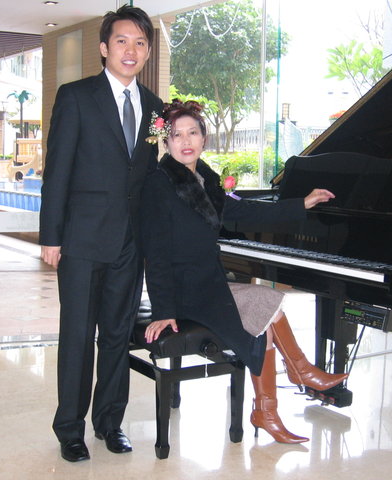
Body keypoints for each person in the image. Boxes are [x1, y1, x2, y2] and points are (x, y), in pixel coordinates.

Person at [140, 100, 349, 444]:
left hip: (207, 283)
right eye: (177, 135)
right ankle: (294, 378)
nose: (186, 141)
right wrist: (163, 310)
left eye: (193, 133)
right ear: (166, 141)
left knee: (264, 311)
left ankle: (272, 406)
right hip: (183, 291)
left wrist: (302, 203)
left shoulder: (205, 179)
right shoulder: (159, 184)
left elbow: (246, 212)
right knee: (266, 308)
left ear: (204, 138)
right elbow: (156, 252)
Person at [39, 5, 163, 462]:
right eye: (122, 41)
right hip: (81, 240)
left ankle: (110, 421)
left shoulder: (154, 107)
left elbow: (150, 176)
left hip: (131, 243)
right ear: (104, 48)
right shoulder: (76, 96)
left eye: (140, 43)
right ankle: (69, 428)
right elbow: (57, 171)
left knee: (116, 334)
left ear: (147, 52)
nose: (131, 50)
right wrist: (51, 237)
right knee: (77, 335)